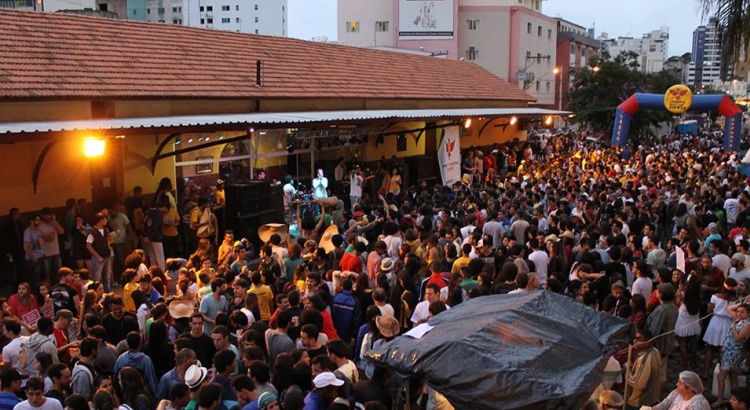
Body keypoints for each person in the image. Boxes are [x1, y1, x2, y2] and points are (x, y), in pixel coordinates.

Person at [713, 303, 750, 408]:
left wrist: (733, 328)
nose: (738, 313)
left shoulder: (747, 324)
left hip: (733, 353)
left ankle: (721, 399)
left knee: (722, 376)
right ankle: (734, 399)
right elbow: (729, 308)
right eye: (738, 311)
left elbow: (738, 337)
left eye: (742, 312)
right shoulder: (738, 320)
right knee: (733, 375)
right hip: (728, 351)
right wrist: (745, 303)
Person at [640, 371, 709, 410]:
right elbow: (664, 404)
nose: (676, 384)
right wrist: (650, 409)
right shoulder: (676, 393)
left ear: (689, 388)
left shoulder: (697, 405)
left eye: (680, 383)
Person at [86, 213, 112, 292]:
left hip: (106, 255)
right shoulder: (92, 232)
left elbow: (108, 241)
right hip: (98, 257)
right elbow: (88, 246)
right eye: (104, 219)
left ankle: (107, 292)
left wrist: (109, 248)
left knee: (107, 276)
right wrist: (97, 256)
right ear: (100, 220)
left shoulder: (106, 230)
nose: (106, 220)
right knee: (97, 277)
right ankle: (97, 293)